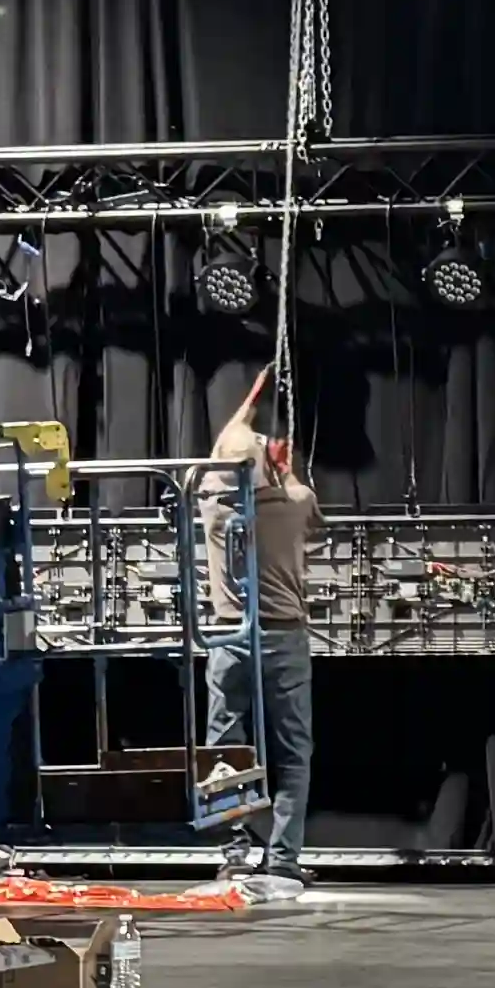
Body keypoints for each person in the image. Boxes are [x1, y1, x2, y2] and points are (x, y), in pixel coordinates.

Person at [204, 368, 322, 893]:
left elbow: (223, 449)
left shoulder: (209, 498)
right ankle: (282, 859)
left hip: (230, 635)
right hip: (283, 634)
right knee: (293, 749)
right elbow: (298, 490)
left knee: (225, 748)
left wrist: (247, 405)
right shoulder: (295, 502)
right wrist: (283, 465)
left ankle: (232, 854)